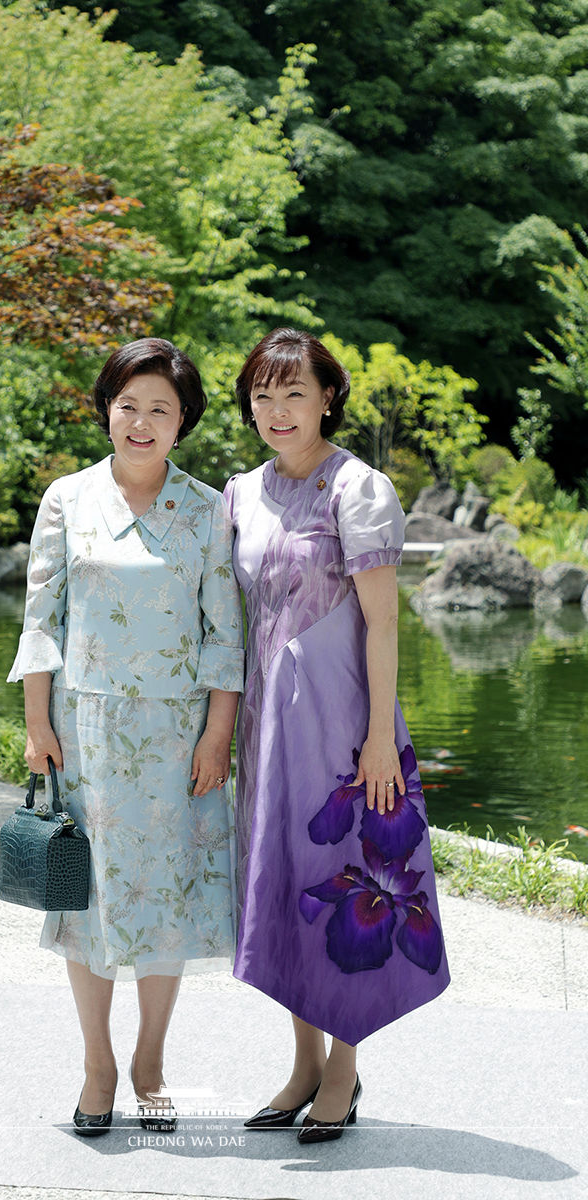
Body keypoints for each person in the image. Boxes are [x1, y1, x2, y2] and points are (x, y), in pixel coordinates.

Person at [7, 338, 243, 1137]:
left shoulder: (208, 509)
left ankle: (150, 1062)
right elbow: (42, 618)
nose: (142, 423)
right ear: (108, 407)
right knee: (90, 900)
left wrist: (219, 733)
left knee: (165, 899)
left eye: (161, 410)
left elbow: (224, 634)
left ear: (184, 423)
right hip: (87, 731)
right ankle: (97, 1066)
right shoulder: (66, 500)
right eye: (129, 405)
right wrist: (38, 723)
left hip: (178, 737)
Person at [224, 327, 450, 1145]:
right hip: (267, 724)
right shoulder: (241, 492)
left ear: (328, 397)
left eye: (294, 393)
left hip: (344, 717)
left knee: (346, 880)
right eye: (262, 395)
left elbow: (383, 624)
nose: (277, 410)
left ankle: (344, 1069)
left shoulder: (358, 488)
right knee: (285, 885)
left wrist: (380, 738)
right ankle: (302, 1063)